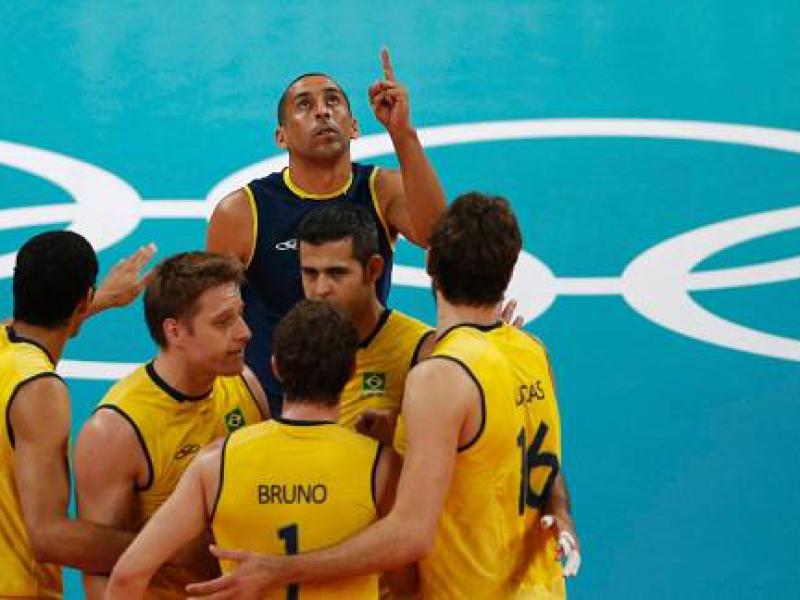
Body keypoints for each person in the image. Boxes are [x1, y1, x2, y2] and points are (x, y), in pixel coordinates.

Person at [187, 193, 580, 599]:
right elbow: (529, 459)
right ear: (511, 269)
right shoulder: (530, 350)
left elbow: (410, 536)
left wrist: (281, 569)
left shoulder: (439, 374)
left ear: (429, 262)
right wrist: (562, 513)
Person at [105, 299, 404, 599]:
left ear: (275, 367)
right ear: (352, 372)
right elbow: (405, 583)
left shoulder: (216, 463)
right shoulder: (381, 466)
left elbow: (127, 575)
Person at [207, 48, 447, 416]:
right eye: (304, 105)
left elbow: (438, 237)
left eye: (332, 101)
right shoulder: (241, 212)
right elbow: (212, 314)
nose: (322, 111)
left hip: (367, 398)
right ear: (281, 137)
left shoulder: (382, 190)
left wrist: (403, 134)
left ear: (354, 127)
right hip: (273, 406)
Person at [74, 252, 269, 599]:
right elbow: (99, 572)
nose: (245, 332)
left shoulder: (245, 385)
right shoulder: (116, 431)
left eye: (240, 314)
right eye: (223, 322)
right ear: (175, 331)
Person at [0, 231, 155, 598]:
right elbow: (48, 537)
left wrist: (99, 300)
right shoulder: (39, 389)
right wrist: (165, 545)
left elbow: (24, 324)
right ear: (83, 300)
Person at [297, 203, 433, 442]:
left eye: (336, 273)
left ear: (373, 270)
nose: (320, 289)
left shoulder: (422, 350)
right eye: (310, 273)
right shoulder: (295, 348)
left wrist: (396, 435)